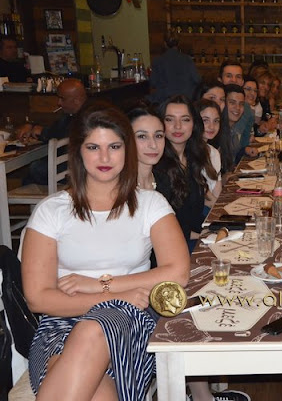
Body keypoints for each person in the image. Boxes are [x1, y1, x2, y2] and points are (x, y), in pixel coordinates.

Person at [21, 103, 189, 401]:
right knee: (97, 389)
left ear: (127, 150)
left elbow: (178, 273)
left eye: (114, 146)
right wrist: (111, 295)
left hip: (130, 319)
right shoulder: (52, 211)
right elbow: (38, 298)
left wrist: (101, 285)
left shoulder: (150, 204)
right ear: (78, 152)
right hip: (62, 322)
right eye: (93, 147)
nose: (104, 157)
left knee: (92, 332)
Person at [154, 95, 217, 245]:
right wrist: (202, 235)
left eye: (185, 120)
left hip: (197, 234)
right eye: (169, 119)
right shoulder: (156, 164)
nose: (178, 126)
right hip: (174, 244)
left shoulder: (193, 157)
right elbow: (163, 225)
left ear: (194, 124)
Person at [18, 78, 88, 185]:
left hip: (77, 169)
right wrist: (32, 125)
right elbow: (55, 127)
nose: (58, 103)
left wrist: (42, 132)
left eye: (62, 99)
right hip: (73, 166)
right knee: (32, 173)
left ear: (77, 100)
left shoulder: (86, 118)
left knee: (35, 168)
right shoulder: (74, 113)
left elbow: (59, 134)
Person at [149, 30, 201, 103]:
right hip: (185, 100)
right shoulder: (187, 59)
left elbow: (153, 83)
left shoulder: (157, 61)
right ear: (178, 43)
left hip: (165, 101)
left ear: (164, 43)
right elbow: (197, 80)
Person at [195, 99, 223, 205]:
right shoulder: (187, 152)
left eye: (216, 121)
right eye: (205, 120)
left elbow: (217, 193)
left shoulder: (214, 152)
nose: (212, 126)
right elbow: (205, 197)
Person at [224, 84, 258, 162]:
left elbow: (234, 156)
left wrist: (245, 150)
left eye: (241, 104)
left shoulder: (233, 128)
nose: (237, 108)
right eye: (232, 103)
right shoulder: (218, 132)